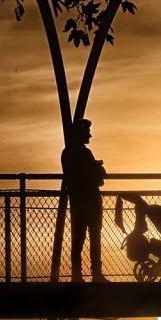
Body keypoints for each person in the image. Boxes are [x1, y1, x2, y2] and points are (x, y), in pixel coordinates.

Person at [61, 118, 107, 282]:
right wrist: (97, 168)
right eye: (87, 132)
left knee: (78, 238)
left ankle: (77, 274)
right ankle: (96, 273)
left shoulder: (67, 153)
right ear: (80, 134)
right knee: (94, 238)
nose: (90, 135)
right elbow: (98, 176)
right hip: (90, 201)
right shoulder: (84, 153)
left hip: (78, 201)